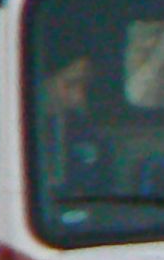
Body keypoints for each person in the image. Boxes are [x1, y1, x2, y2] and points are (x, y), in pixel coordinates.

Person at [38, 56, 111, 193]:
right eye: (70, 85)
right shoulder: (14, 132)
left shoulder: (89, 135)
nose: (78, 97)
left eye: (85, 86)